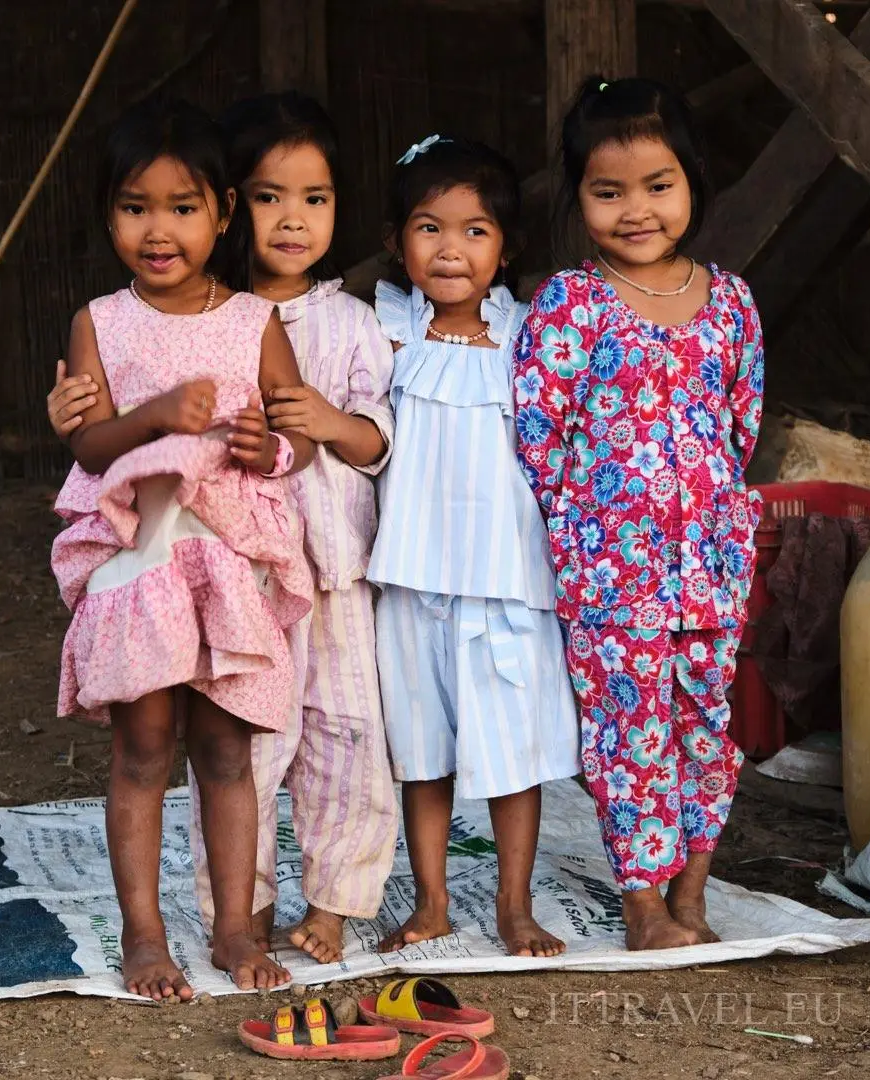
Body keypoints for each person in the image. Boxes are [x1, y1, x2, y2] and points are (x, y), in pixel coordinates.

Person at [48, 92, 399, 967]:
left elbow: (284, 442)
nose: (157, 230)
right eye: (135, 208)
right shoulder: (101, 319)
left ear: (221, 214)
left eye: (181, 208)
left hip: (229, 565)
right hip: (140, 560)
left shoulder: (254, 321)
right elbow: (90, 448)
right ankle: (143, 935)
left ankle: (236, 929)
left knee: (227, 750)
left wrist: (259, 442)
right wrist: (157, 414)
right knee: (142, 748)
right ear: (108, 215)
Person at [513, 76, 764, 950]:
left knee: (706, 722)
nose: (635, 209)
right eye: (607, 190)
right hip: (610, 569)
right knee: (630, 731)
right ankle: (641, 902)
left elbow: (739, 425)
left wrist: (707, 518)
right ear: (578, 196)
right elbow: (537, 439)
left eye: (657, 185)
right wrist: (593, 526)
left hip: (711, 559)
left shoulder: (730, 302)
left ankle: (692, 888)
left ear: (691, 182)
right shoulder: (566, 306)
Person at [368, 136, 580, 958]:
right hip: (410, 578)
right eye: (428, 228)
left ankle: (513, 905)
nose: (450, 249)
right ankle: (428, 904)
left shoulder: (534, 336)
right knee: (421, 754)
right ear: (396, 242)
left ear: (507, 247)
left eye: (475, 230)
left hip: (504, 580)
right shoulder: (386, 331)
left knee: (509, 758)